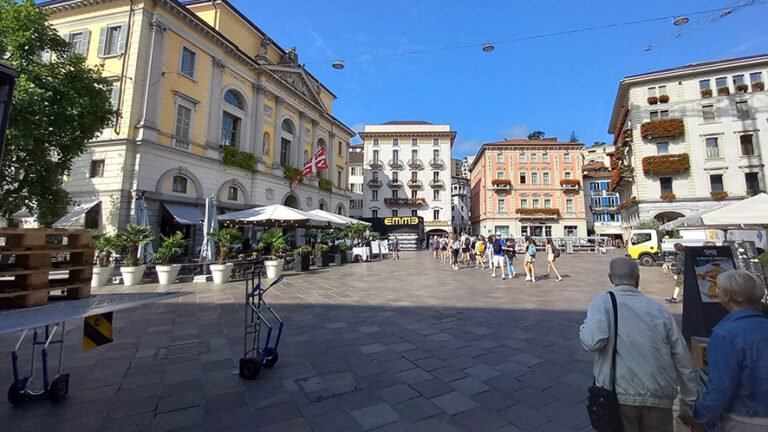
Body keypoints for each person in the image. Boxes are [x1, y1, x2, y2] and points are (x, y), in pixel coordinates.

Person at [580, 257, 698, 432]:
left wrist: (583, 328)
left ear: (610, 278)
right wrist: (690, 399)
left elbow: (593, 341)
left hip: (619, 396)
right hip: (659, 395)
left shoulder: (603, 301)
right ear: (637, 279)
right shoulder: (659, 310)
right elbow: (682, 358)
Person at [678, 270, 768, 432]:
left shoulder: (725, 334)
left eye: (719, 289)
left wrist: (698, 416)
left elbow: (721, 387)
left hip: (745, 419)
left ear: (728, 296)